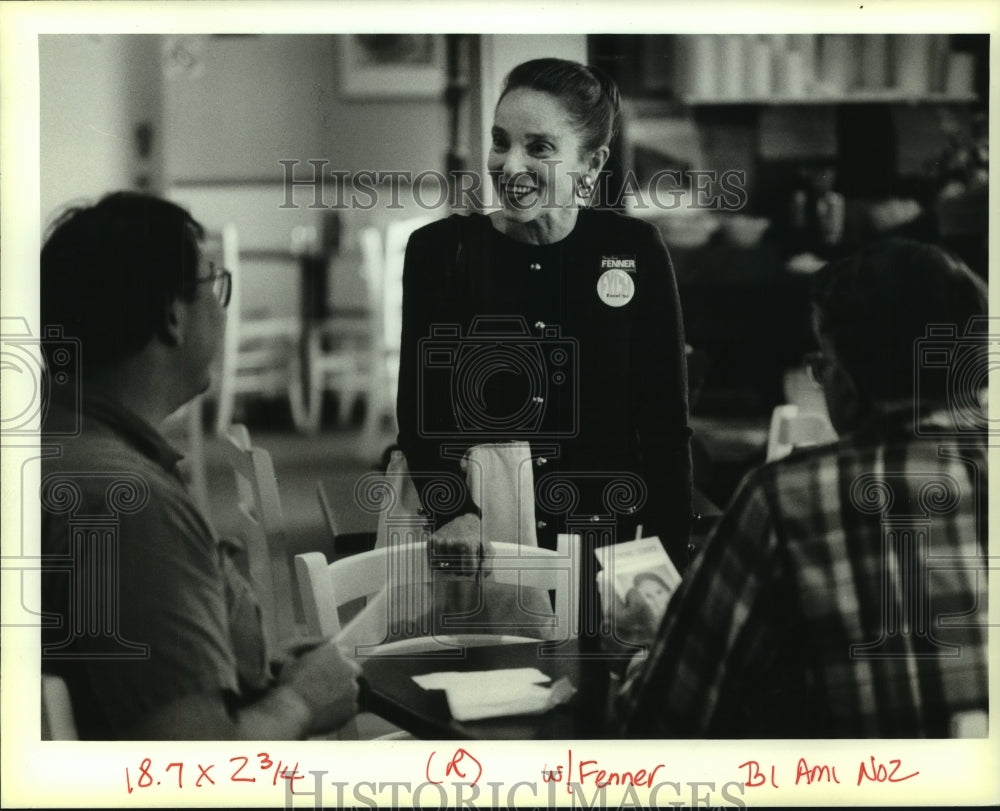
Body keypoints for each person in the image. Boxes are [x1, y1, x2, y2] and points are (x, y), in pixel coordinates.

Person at [613, 238, 989, 738]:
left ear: (851, 387)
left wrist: (654, 642)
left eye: (823, 366)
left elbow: (660, 722)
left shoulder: (786, 498)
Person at [39, 191, 360, 739]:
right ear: (172, 316)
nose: (221, 304)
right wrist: (303, 701)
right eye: (215, 285)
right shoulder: (136, 509)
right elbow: (190, 773)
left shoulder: (53, 447)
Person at [395, 58, 693, 633]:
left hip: (604, 542)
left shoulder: (634, 249)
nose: (510, 166)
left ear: (592, 163)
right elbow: (419, 414)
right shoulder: (441, 253)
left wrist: (666, 569)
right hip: (484, 542)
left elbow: (665, 426)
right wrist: (451, 510)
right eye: (501, 142)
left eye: (539, 148)